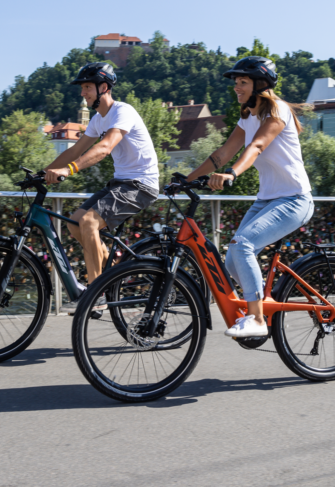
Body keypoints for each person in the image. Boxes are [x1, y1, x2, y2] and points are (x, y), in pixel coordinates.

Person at [184, 56, 314, 338]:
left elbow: (256, 146)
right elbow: (221, 154)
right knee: (231, 259)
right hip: (267, 199)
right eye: (236, 83)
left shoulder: (277, 111)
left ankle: (256, 319)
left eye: (242, 82)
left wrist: (232, 174)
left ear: (260, 84)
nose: (236, 88)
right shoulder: (248, 116)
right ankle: (257, 302)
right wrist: (187, 179)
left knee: (242, 245)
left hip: (294, 199)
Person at [44, 62, 160, 292]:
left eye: (87, 87)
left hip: (141, 184)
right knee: (75, 223)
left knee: (89, 222)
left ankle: (94, 293)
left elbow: (105, 148)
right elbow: (74, 151)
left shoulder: (122, 111)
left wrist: (68, 170)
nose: (82, 93)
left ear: (103, 87)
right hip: (121, 183)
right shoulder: (98, 119)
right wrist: (42, 174)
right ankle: (111, 272)